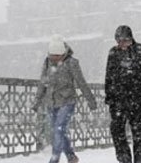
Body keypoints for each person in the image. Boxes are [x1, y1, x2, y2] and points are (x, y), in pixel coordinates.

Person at [32, 34, 97, 163]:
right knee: (59, 131)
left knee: (58, 128)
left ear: (63, 54)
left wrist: (91, 100)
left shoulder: (72, 63)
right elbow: (42, 83)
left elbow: (81, 82)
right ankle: (71, 157)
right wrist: (37, 101)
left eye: (57, 57)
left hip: (67, 102)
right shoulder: (47, 62)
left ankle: (54, 158)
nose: (54, 59)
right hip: (51, 102)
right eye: (52, 56)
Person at [105, 25, 141, 163]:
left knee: (139, 135)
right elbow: (109, 77)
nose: (122, 44)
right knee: (117, 131)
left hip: (140, 101)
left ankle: (140, 161)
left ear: (131, 39)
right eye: (119, 41)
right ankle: (124, 159)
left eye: (125, 40)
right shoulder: (113, 53)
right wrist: (110, 98)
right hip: (119, 101)